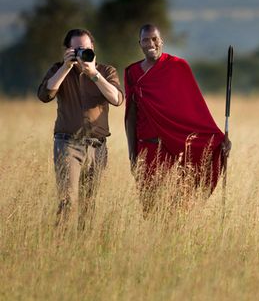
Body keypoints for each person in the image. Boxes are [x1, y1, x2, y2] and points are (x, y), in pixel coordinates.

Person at [124, 24, 230, 213]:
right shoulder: (132, 73)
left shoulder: (178, 66)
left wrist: (219, 140)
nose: (151, 43)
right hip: (147, 150)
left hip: (176, 151)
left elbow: (196, 110)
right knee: (151, 210)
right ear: (139, 43)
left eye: (155, 39)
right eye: (146, 40)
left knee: (177, 209)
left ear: (161, 41)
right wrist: (133, 156)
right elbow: (130, 117)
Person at [38, 29, 124, 228]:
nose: (81, 53)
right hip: (68, 144)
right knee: (67, 201)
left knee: (89, 204)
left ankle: (83, 248)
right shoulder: (58, 69)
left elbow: (117, 99)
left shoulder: (106, 71)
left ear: (93, 48)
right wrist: (66, 67)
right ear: (67, 50)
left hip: (97, 146)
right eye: (76, 49)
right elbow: (44, 95)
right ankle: (60, 246)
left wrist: (93, 74)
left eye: (85, 48)